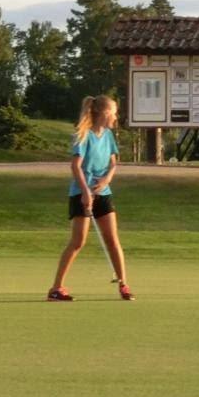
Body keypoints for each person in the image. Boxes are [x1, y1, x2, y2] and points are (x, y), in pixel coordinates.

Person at [47, 95, 134, 302]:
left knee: (113, 240)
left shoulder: (109, 136)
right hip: (81, 193)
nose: (116, 116)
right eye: (114, 112)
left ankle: (123, 284)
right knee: (78, 242)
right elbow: (75, 166)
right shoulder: (83, 135)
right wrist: (85, 192)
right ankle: (56, 288)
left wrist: (105, 181)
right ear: (105, 113)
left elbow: (113, 164)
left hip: (102, 193)